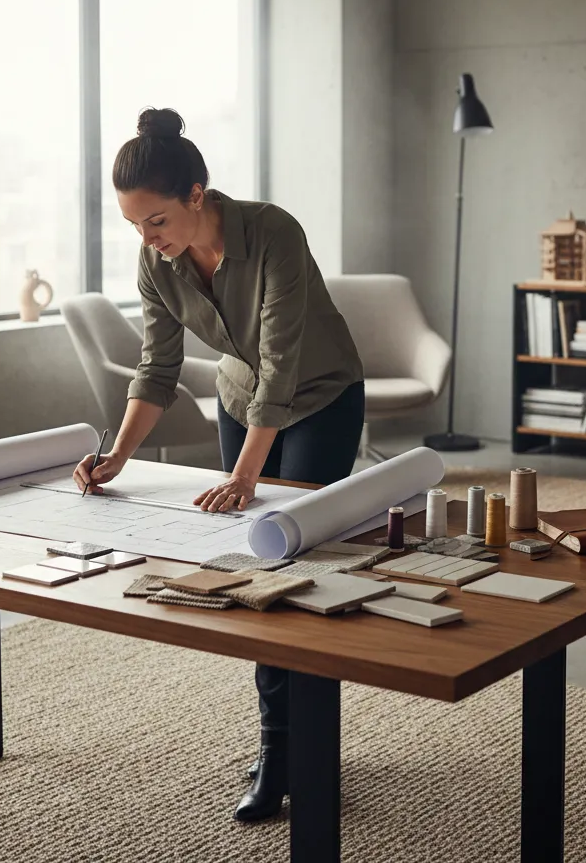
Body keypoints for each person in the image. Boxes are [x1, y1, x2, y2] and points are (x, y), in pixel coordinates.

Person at [73, 107, 365, 822]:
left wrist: (244, 479)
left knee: (298, 568)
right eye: (136, 224)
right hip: (241, 403)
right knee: (251, 574)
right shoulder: (157, 264)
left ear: (197, 196)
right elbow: (157, 368)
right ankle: (277, 747)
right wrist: (116, 455)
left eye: (157, 221)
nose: (147, 239)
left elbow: (282, 362)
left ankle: (308, 747)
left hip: (320, 398)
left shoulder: (274, 234)